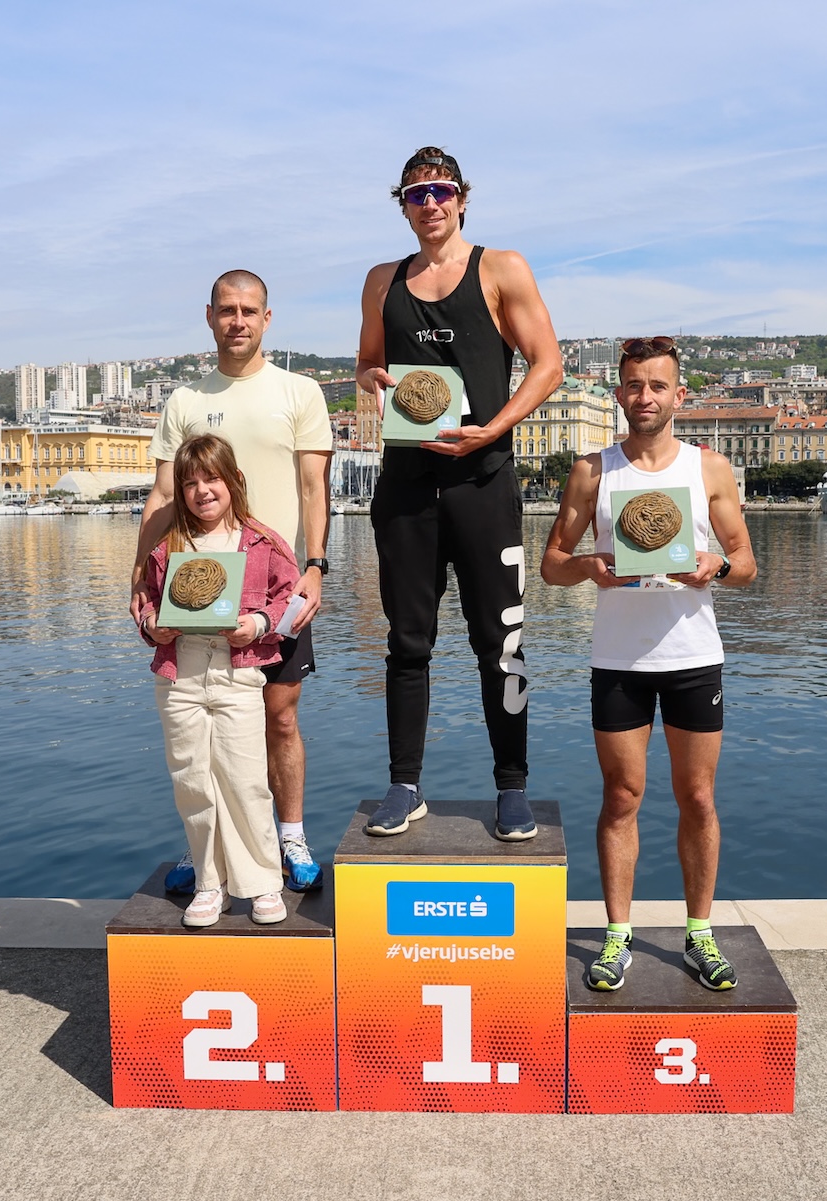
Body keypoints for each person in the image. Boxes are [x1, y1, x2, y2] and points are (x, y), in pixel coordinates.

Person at [354, 146, 563, 839]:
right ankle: (404, 783)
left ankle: (512, 784)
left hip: (483, 479)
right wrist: (377, 382)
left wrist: (490, 430)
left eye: (441, 190)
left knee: (501, 641)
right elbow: (366, 365)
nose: (431, 203)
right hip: (408, 486)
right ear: (403, 206)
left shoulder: (501, 268)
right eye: (416, 194)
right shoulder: (382, 280)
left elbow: (549, 365)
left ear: (463, 198)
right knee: (407, 642)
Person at [540, 337, 758, 991]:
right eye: (634, 385)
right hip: (619, 659)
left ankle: (699, 934)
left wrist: (716, 565)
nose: (645, 397)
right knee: (621, 798)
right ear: (618, 392)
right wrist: (589, 568)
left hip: (694, 656)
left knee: (697, 797)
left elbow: (745, 563)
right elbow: (553, 563)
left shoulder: (709, 469)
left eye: (657, 386)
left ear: (678, 395)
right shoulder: (593, 470)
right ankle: (615, 938)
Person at [132, 270, 333, 892]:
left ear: (267, 319)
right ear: (210, 317)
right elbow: (166, 492)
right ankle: (207, 845)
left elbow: (311, 486)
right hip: (198, 582)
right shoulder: (185, 401)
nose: (237, 320)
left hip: (275, 584)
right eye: (227, 310)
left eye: (249, 310)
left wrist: (317, 565)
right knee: (205, 724)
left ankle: (289, 836)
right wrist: (139, 577)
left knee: (278, 717)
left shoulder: (299, 392)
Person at [136, 434, 301, 926]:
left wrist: (259, 625)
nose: (201, 491)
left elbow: (291, 601)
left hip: (238, 675)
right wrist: (150, 625)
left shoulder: (263, 541)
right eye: (189, 483)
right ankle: (212, 883)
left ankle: (263, 883)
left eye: (211, 478)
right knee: (193, 784)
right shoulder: (168, 546)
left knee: (246, 780)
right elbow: (145, 599)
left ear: (234, 481)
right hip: (180, 676)